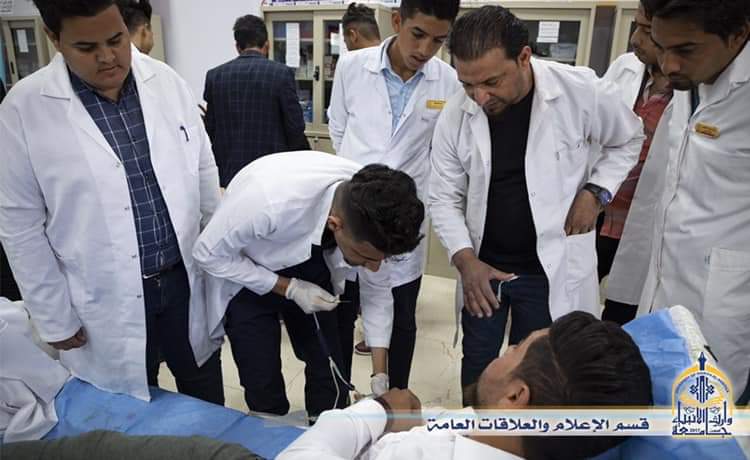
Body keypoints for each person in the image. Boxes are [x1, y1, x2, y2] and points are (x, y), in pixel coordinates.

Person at [0, 0, 224, 404]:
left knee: (204, 389)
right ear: (54, 38)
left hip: (183, 281)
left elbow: (203, 170)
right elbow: (19, 226)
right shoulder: (23, 109)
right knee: (128, 408)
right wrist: (53, 315)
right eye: (86, 48)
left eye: (116, 39)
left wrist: (221, 257)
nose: (107, 57)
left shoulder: (167, 82)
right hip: (103, 296)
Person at [428, 6, 644, 406]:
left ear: (524, 57)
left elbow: (628, 138)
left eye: (491, 82)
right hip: (485, 271)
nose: (480, 97)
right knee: (478, 365)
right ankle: (473, 432)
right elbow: (443, 195)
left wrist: (595, 192)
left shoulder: (580, 91)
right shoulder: (456, 114)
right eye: (467, 84)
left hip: (549, 271)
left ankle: (523, 436)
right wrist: (465, 260)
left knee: (539, 371)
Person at [193, 151, 424, 421]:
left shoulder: (370, 205)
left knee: (329, 373)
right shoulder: (268, 202)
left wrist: (379, 374)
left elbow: (377, 292)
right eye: (366, 258)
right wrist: (288, 287)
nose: (374, 267)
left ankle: (325, 428)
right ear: (335, 225)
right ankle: (272, 432)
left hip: (311, 265)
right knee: (262, 380)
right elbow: (206, 253)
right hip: (245, 275)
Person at [278, 311, 654, 459]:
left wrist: (379, 411)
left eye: (517, 348)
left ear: (515, 396)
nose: (507, 349)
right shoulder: (496, 431)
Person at [327, 0, 462, 391]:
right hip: (353, 215)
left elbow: (443, 152)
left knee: (401, 317)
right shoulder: (353, 67)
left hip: (403, 220)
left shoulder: (448, 81)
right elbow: (338, 128)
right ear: (398, 21)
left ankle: (394, 399)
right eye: (417, 35)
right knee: (342, 311)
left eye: (437, 41)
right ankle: (337, 398)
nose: (424, 49)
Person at [637, 0, 750, 402]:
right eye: (660, 46)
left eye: (685, 49)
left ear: (739, 34)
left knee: (707, 418)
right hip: (664, 289)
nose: (668, 65)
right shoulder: (691, 82)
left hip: (726, 303)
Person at [597, 2, 673, 326]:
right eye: (637, 26)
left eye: (646, 30)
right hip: (599, 213)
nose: (634, 39)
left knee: (623, 317)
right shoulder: (625, 68)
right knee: (570, 302)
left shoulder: (690, 89)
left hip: (647, 225)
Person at [203, 15, 309, 188]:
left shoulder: (215, 76)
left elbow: (210, 129)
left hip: (229, 175)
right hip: (270, 173)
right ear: (267, 45)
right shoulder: (281, 74)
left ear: (237, 47)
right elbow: (295, 128)